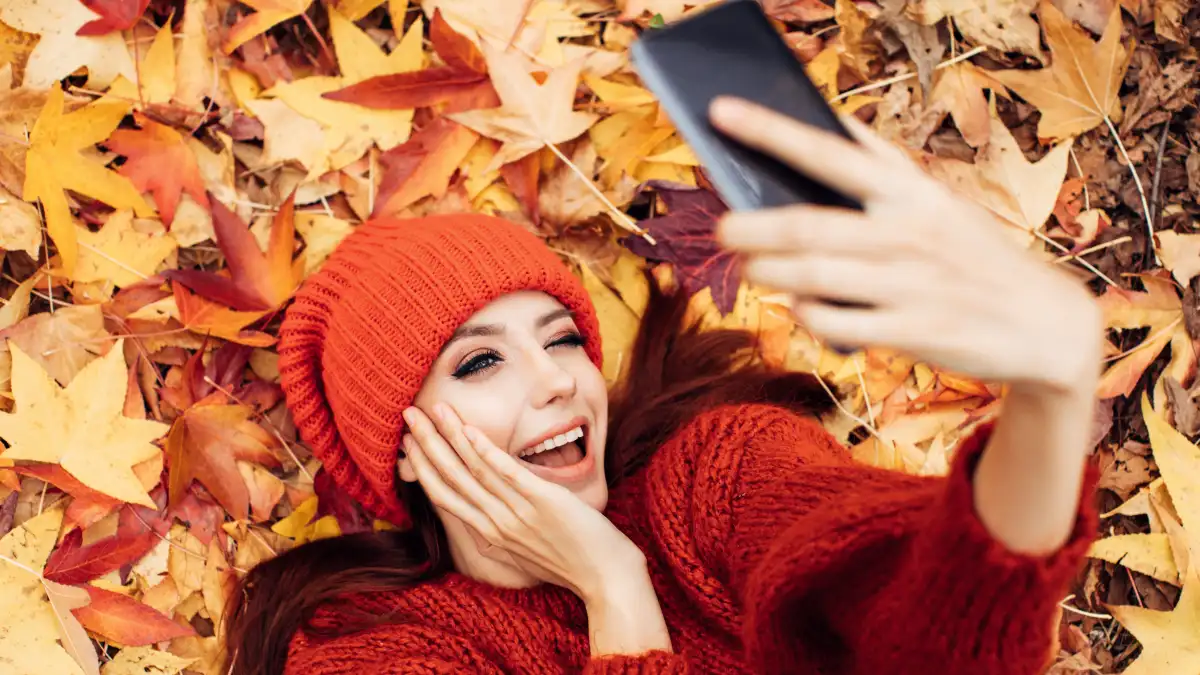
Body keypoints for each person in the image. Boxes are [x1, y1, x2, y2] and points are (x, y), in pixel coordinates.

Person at [223, 97, 1104, 675]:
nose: (556, 383)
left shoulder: (711, 477)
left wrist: (1054, 397)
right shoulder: (376, 652)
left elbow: (935, 616)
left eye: (561, 338)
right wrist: (614, 592)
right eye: (480, 361)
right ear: (405, 448)